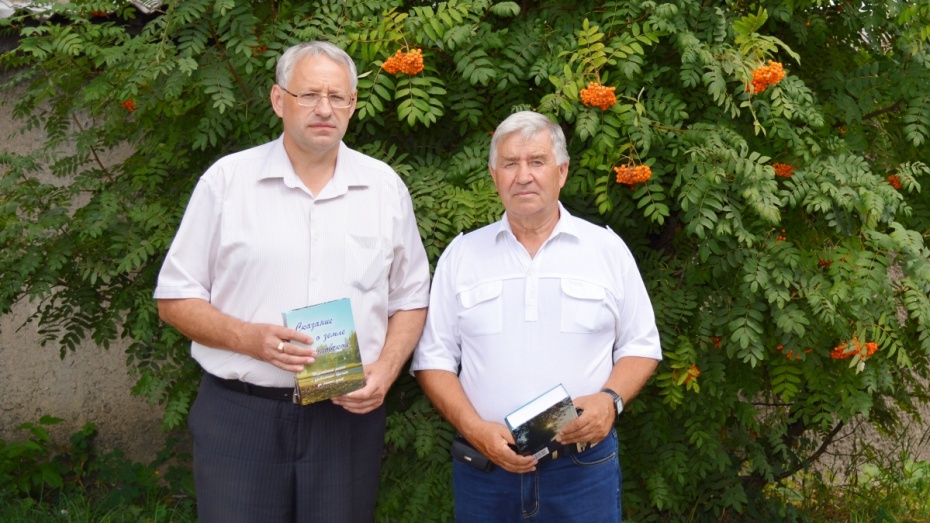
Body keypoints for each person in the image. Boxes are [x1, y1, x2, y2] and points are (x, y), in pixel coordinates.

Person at [153, 41, 430, 522]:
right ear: (279, 100)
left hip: (346, 417)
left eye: (338, 97)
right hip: (242, 415)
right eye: (309, 95)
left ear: (353, 106)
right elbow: (175, 298)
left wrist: (385, 370)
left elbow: (411, 297)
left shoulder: (384, 187)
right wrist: (250, 339)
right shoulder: (227, 182)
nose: (325, 108)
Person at [411, 111, 662, 522]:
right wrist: (475, 430)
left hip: (582, 469)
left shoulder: (606, 250)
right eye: (510, 164)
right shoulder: (462, 255)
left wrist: (610, 401)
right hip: (486, 469)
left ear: (562, 172)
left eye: (537, 162)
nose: (523, 176)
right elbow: (433, 360)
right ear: (494, 176)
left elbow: (641, 345)